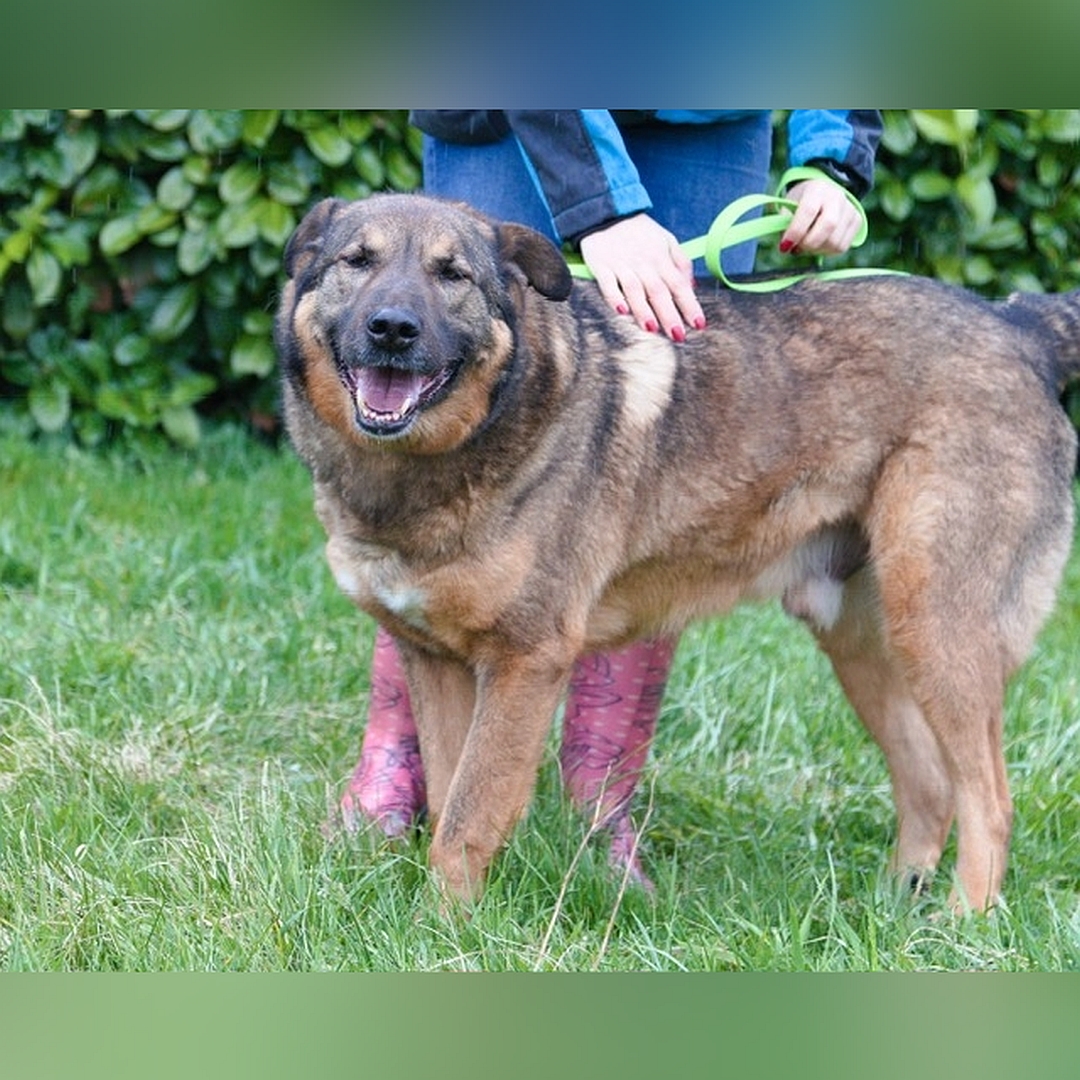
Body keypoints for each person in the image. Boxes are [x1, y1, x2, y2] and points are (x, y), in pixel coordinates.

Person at [338, 109, 883, 886]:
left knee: (659, 462)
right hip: (515, 106)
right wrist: (601, 208)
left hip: (702, 112)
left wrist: (833, 156)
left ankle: (599, 802)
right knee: (433, 364)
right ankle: (397, 773)